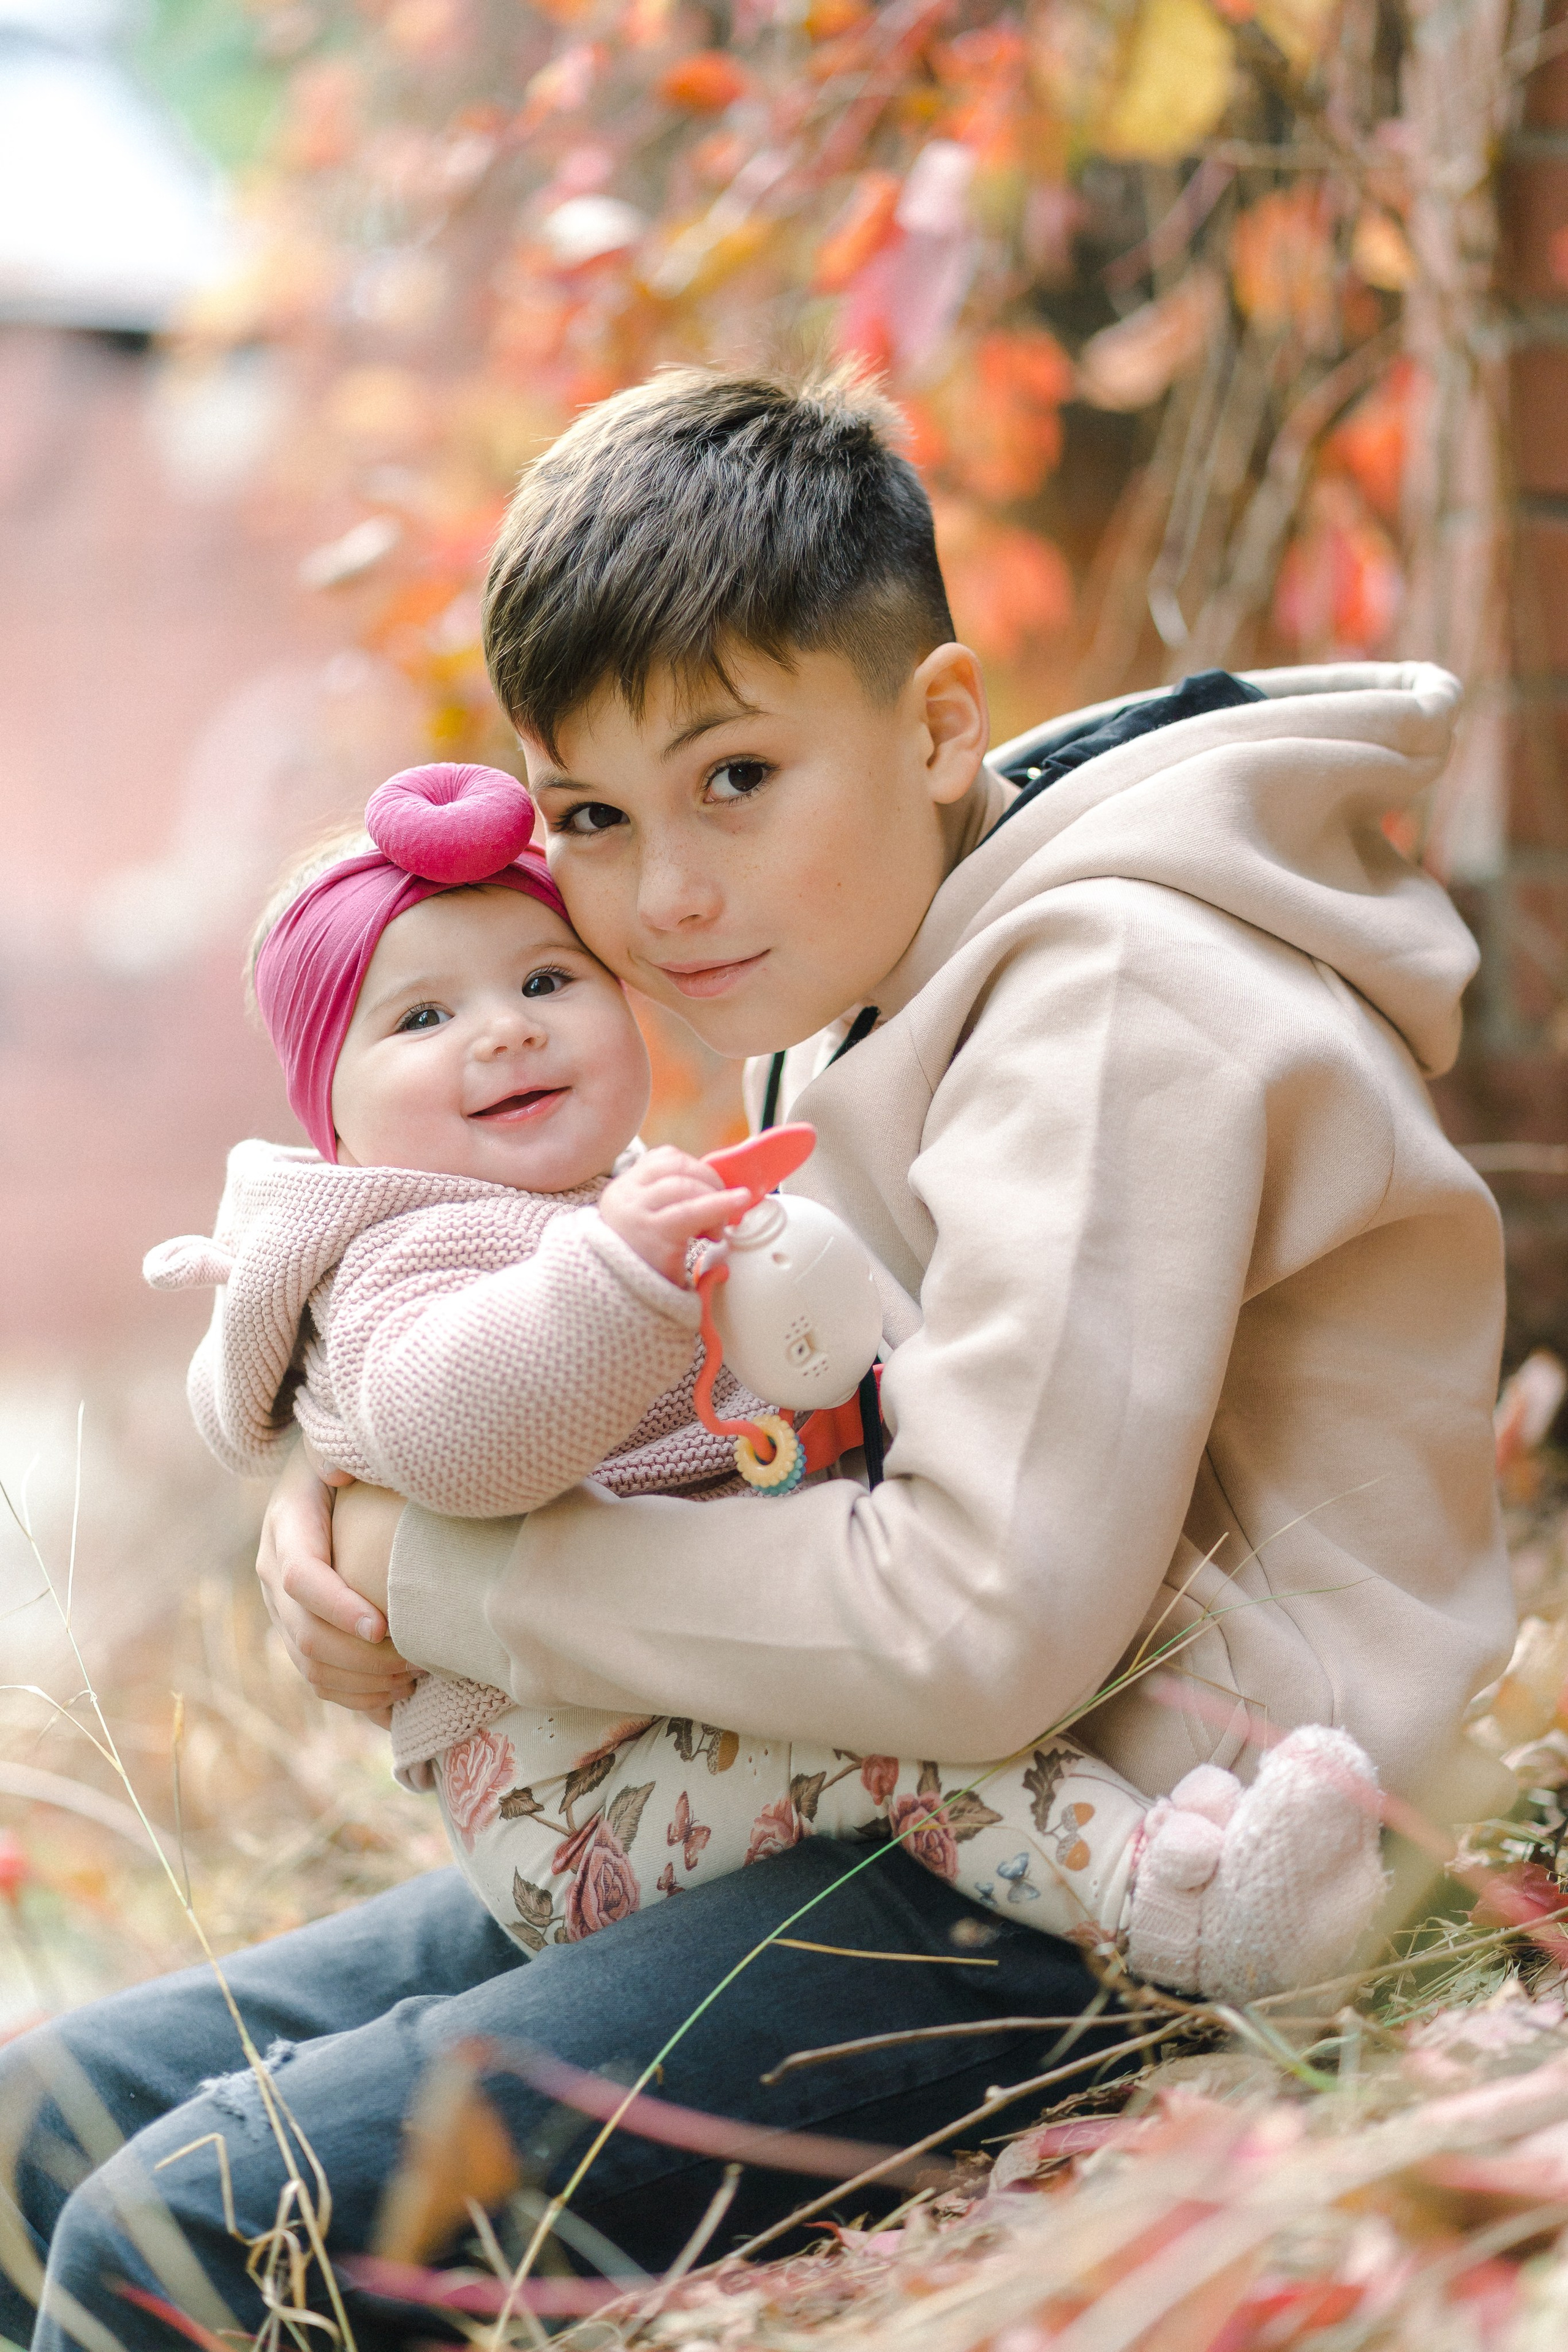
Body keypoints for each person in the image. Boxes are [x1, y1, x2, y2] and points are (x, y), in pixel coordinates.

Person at [0, 368, 1516, 2350]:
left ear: (941, 722)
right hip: (852, 1792)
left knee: (167, 2240)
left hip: (1125, 1874)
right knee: (41, 2122)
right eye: (596, 821)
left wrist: (436, 1576)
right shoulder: (864, 964)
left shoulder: (1118, 1009)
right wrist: (363, 1487)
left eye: (736, 778)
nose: (667, 893)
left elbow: (981, 1628)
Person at [146, 758, 1383, 1991]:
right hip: (580, 1790)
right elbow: (455, 1435)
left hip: (686, 1709)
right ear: (336, 1126)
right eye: (420, 1019)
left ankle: (1185, 1850)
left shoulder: (609, 1199)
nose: (506, 1027)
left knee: (901, 1740)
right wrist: (618, 1277)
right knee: (905, 1760)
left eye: (546, 980)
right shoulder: (401, 1256)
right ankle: (1184, 1915)